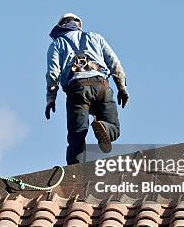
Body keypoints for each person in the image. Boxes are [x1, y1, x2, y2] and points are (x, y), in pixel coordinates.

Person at [45, 13, 129, 165]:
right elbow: (114, 63)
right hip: (102, 87)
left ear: (61, 27)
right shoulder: (96, 38)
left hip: (77, 90)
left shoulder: (57, 44)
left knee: (77, 136)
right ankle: (104, 126)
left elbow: (52, 74)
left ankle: (74, 174)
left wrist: (51, 99)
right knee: (114, 129)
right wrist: (122, 88)